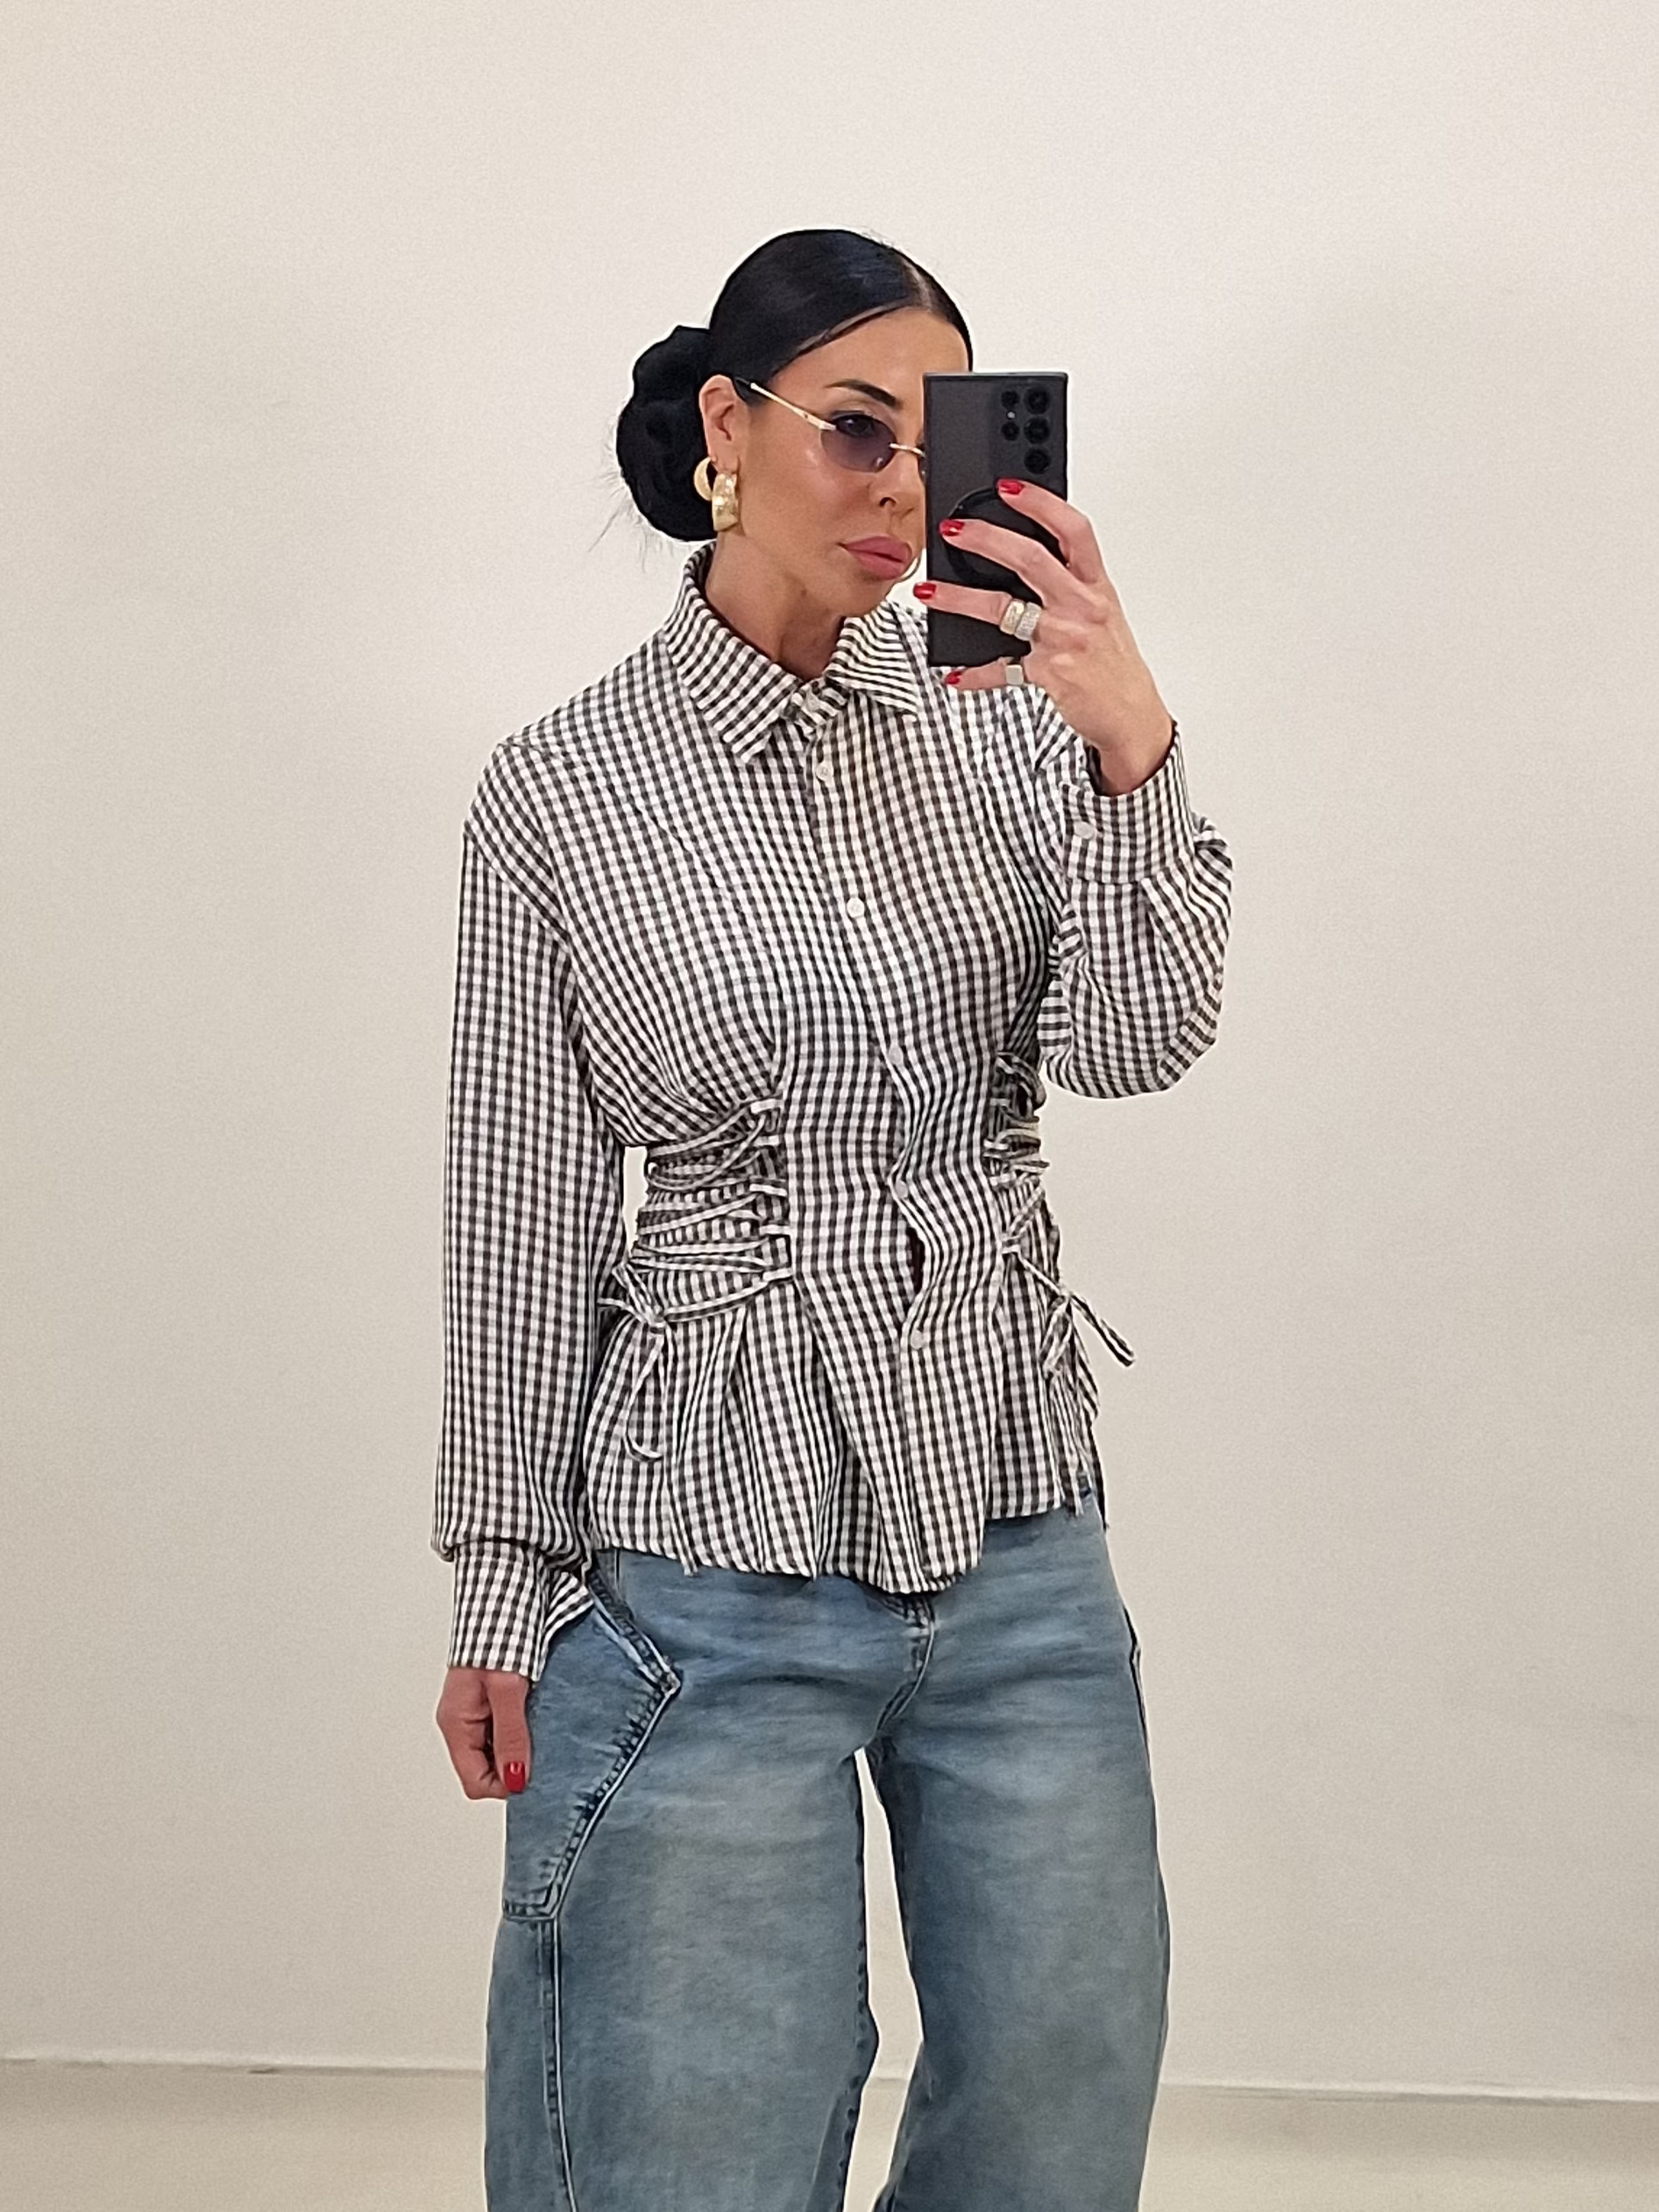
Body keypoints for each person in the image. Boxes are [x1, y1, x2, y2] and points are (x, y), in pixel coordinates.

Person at [430, 226, 1231, 2212]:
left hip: (1017, 1540)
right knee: (690, 2141)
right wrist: (496, 1584)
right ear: (728, 423)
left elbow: (1136, 1042)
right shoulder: (561, 791)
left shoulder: (1010, 718)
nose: (900, 488)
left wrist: (1130, 739)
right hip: (706, 1568)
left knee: (1059, 2109)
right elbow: (521, 1215)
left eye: (937, 443)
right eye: (854, 430)